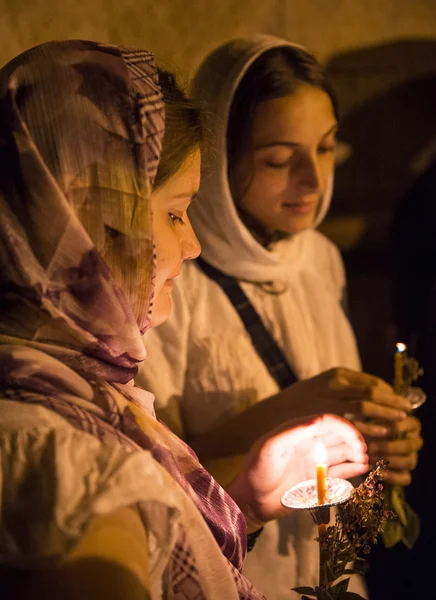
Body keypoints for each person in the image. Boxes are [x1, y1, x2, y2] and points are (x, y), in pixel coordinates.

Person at [0, 40, 370, 600]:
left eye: (327, 149)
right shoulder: (58, 454)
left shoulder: (87, 389)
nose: (191, 244)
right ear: (86, 218)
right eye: (174, 213)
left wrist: (243, 498)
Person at [137, 35, 423, 599]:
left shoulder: (321, 258)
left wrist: (372, 449)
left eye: (325, 148)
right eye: (277, 159)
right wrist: (298, 406)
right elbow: (154, 474)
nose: (313, 181)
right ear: (218, 156)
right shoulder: (170, 278)